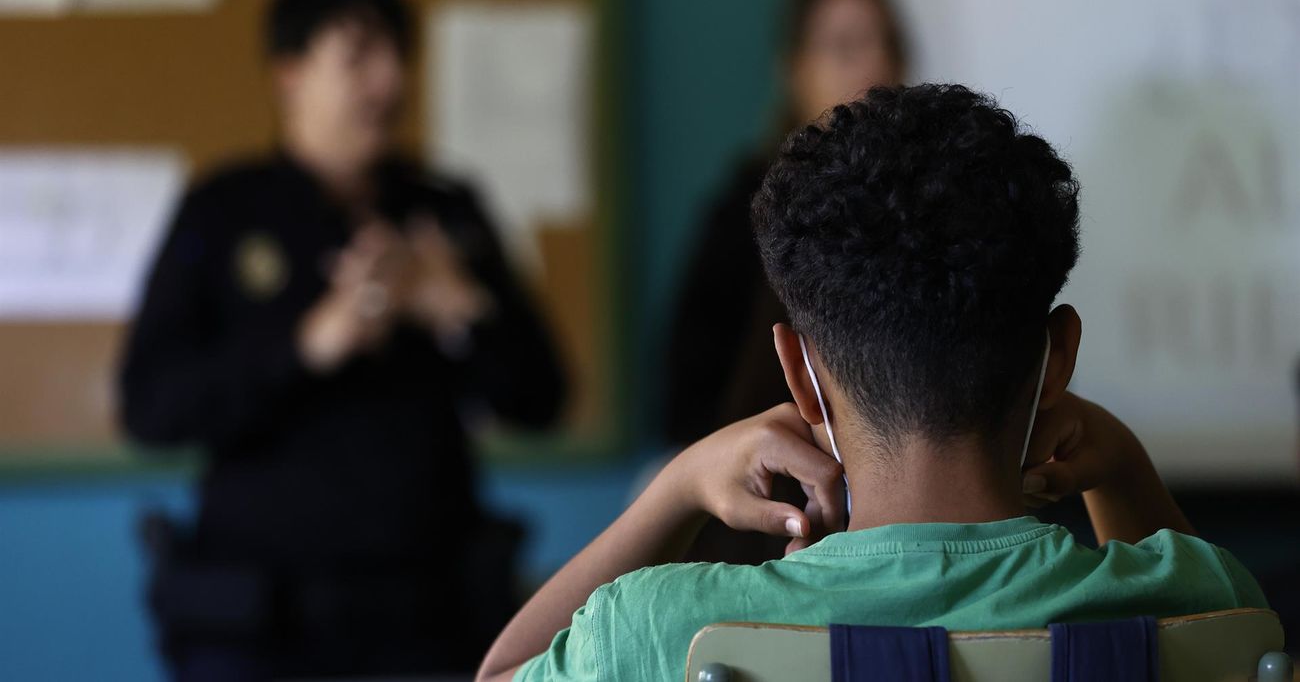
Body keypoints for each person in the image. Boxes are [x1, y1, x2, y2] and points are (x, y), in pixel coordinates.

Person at [476, 84, 1268, 682]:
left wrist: (678, 485)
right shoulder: (1202, 596)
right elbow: (1218, 618)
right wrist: (1123, 465)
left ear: (798, 371)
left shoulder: (659, 626)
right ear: (1058, 359)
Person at [119, 0, 566, 680]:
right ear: (290, 73)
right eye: (358, 56)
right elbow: (148, 408)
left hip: (432, 618)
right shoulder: (223, 210)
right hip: (258, 625)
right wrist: (308, 345)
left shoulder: (445, 208)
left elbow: (542, 399)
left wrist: (457, 306)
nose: (389, 82)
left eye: (398, 56)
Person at [663, 0, 908, 563]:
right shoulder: (745, 212)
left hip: (907, 523)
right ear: (795, 69)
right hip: (768, 523)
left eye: (886, 44)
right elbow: (686, 395)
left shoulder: (926, 208)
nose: (871, 65)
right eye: (846, 46)